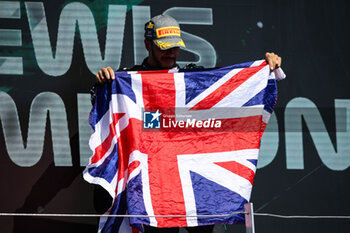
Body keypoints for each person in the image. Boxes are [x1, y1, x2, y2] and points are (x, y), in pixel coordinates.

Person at [92, 14, 282, 233]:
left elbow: (230, 93)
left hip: (192, 179)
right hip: (152, 183)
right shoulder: (128, 79)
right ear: (148, 44)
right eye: (164, 47)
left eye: (175, 47)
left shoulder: (193, 78)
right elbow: (107, 115)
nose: (171, 53)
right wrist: (103, 86)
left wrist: (264, 69)